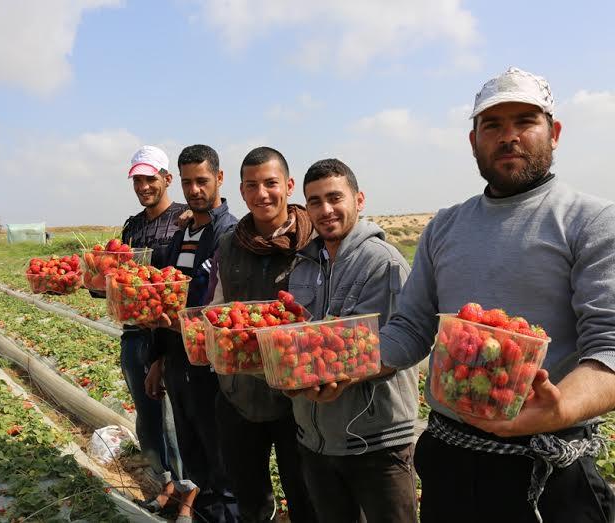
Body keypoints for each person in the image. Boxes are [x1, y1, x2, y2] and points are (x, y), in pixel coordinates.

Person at [377, 67, 615, 522]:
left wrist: (559, 406)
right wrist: (348, 363)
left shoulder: (593, 221)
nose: (509, 136)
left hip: (549, 463)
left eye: (525, 121)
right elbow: (410, 328)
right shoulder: (444, 226)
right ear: (473, 141)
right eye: (493, 125)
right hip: (452, 458)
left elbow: (610, 345)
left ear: (554, 132)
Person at [285, 158, 418, 522]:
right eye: (314, 201)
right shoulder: (304, 264)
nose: (325, 210)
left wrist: (330, 371)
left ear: (358, 200)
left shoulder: (383, 262)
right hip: (316, 439)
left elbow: (393, 345)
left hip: (376, 442)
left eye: (334, 197)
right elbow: (295, 340)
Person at [208, 146, 317, 523]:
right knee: (250, 498)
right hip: (238, 394)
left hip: (297, 400)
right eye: (252, 185)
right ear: (241, 191)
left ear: (288, 186)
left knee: (305, 495)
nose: (262, 194)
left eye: (271, 183)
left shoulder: (315, 243)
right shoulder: (229, 245)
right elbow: (217, 307)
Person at [145, 144, 239, 522]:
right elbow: (167, 297)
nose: (195, 190)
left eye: (202, 181)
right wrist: (159, 359)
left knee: (221, 460)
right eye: (187, 182)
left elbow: (216, 302)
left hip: (211, 365)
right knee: (194, 453)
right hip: (178, 361)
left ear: (219, 178)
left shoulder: (229, 233)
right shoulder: (180, 234)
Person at [114, 145, 187, 510]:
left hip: (169, 334)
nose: (143, 186)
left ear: (166, 179)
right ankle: (163, 485)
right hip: (133, 335)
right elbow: (119, 283)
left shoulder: (183, 220)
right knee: (148, 418)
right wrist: (100, 283)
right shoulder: (131, 227)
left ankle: (188, 492)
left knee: (175, 420)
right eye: (137, 179)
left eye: (150, 178)